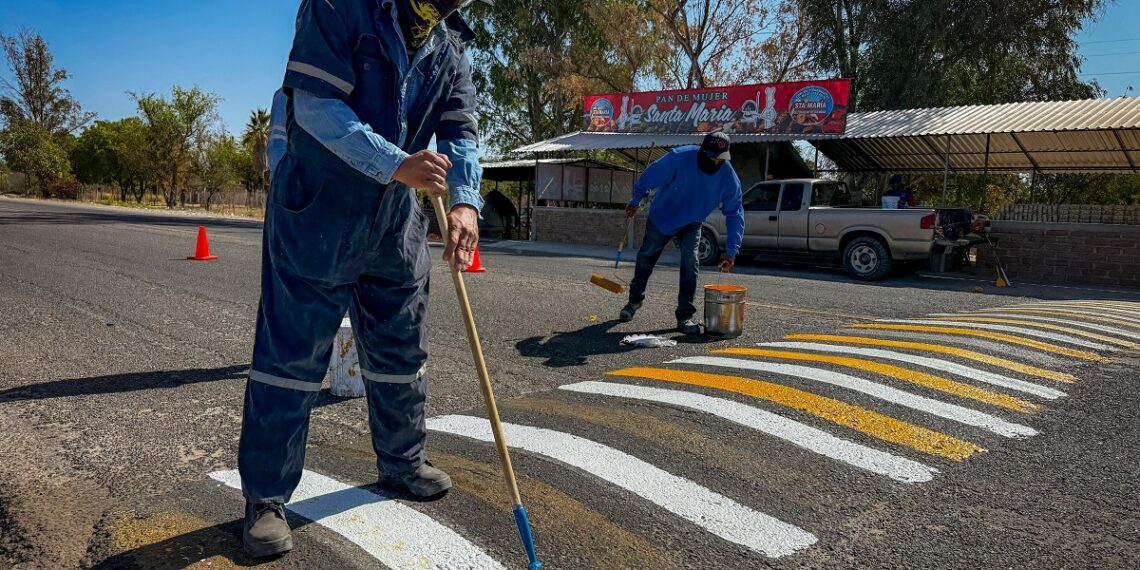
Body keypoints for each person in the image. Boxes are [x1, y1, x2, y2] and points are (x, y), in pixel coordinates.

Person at [239, 0, 487, 559]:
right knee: (291, 358)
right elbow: (315, 105)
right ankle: (266, 498)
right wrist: (396, 163)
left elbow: (460, 132)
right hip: (319, 213)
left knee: (401, 349)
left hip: (395, 221)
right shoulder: (339, 6)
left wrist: (465, 202)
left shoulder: (449, 45)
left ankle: (402, 461)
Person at [619, 132, 744, 334]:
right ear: (703, 151)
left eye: (720, 158)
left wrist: (732, 251)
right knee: (646, 258)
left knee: (690, 262)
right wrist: (636, 199)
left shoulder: (728, 177)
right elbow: (650, 176)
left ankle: (685, 316)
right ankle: (634, 301)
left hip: (691, 222)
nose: (716, 161)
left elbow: (735, 213)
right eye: (712, 156)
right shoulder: (680, 157)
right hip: (662, 217)